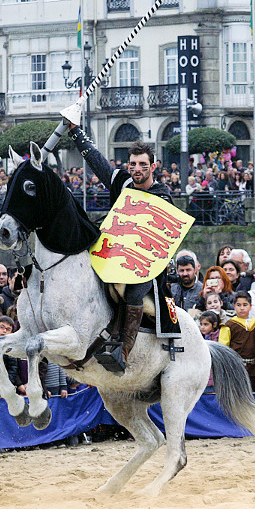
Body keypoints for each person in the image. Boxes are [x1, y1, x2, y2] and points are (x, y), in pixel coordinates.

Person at [68, 121, 174, 370]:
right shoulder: (123, 182)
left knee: (136, 289)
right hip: (114, 255)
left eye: (143, 165)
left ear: (153, 167)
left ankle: (123, 350)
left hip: (145, 263)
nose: (137, 169)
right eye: (133, 164)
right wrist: (74, 130)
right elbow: (96, 160)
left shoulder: (162, 196)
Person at [219, 291, 255, 391]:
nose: (242, 308)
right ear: (234, 306)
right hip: (236, 368)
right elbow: (223, 348)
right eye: (239, 305)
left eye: (245, 305)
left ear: (251, 306)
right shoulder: (228, 325)